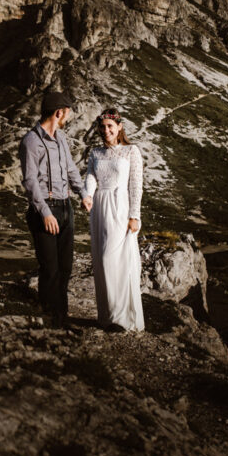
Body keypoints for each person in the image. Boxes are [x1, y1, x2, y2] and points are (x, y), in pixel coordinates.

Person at [19, 91, 93, 329]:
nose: (67, 118)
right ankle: (50, 321)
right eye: (67, 114)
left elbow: (70, 169)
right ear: (59, 113)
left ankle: (62, 318)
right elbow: (30, 181)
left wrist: (83, 194)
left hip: (65, 207)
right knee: (50, 269)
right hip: (45, 210)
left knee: (65, 268)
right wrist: (45, 213)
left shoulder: (60, 138)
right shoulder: (30, 141)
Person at [83, 107, 145, 331]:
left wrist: (134, 216)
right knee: (101, 260)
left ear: (119, 127)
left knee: (113, 258)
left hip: (120, 207)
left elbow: (136, 185)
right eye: (102, 127)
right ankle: (107, 316)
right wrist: (87, 195)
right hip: (100, 207)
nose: (105, 130)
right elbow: (91, 177)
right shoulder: (96, 153)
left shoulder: (131, 151)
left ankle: (121, 318)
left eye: (110, 126)